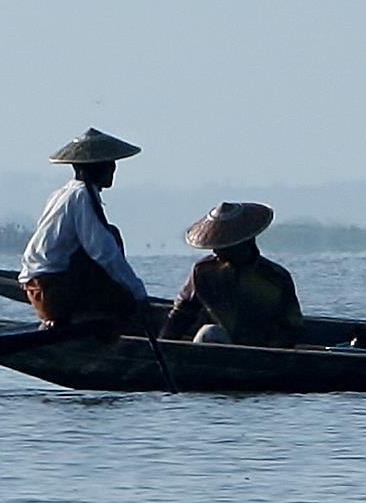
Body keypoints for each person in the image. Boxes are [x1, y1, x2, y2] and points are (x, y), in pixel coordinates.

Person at [17, 129, 150, 329]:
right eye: (108, 164)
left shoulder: (63, 193)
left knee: (112, 233)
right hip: (50, 290)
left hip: (42, 284)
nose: (113, 169)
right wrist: (138, 293)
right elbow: (103, 251)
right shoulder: (82, 196)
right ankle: (92, 321)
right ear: (96, 167)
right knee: (125, 302)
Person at [159, 202, 305, 348]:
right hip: (220, 346)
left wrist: (270, 349)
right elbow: (182, 315)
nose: (216, 251)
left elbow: (292, 326)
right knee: (209, 332)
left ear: (245, 242)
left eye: (224, 245)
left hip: (263, 349)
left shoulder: (275, 277)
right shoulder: (203, 271)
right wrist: (163, 345)